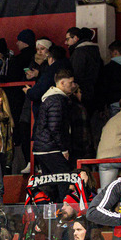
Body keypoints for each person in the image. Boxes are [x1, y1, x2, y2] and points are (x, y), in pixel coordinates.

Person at [32, 69, 76, 203]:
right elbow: (54, 127)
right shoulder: (57, 100)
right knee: (64, 180)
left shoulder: (49, 99)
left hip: (42, 147)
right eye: (71, 82)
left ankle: (50, 211)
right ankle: (64, 210)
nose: (73, 85)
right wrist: (63, 148)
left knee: (50, 184)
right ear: (62, 83)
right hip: (51, 148)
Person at [65, 27, 102, 109]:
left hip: (82, 94)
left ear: (76, 38)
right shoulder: (95, 51)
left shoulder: (79, 53)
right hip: (97, 94)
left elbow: (77, 74)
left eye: (67, 39)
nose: (66, 42)